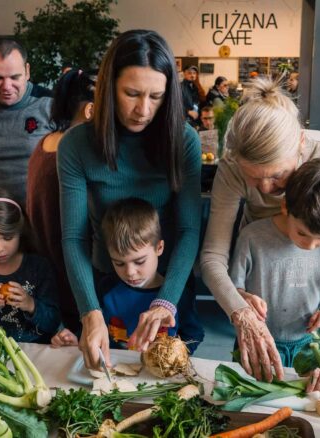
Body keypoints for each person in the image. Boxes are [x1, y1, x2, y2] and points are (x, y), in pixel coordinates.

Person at [200, 77, 320, 383]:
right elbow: (212, 257)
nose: (265, 189)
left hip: (311, 299)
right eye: (253, 178)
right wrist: (240, 310)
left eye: (276, 176)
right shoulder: (232, 166)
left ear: (301, 144)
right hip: (263, 284)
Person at [57, 30, 203, 370]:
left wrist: (167, 300)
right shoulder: (76, 146)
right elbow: (74, 236)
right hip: (106, 279)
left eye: (156, 96)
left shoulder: (184, 141)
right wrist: (89, 311)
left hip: (170, 277)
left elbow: (189, 229)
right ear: (108, 89)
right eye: (132, 93)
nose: (143, 109)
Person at [229, 159, 320, 391]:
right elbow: (232, 289)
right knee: (249, 400)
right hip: (258, 340)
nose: (311, 245)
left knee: (304, 402)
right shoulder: (252, 237)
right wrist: (243, 298)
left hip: (308, 344)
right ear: (286, 207)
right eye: (303, 234)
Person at [27, 68, 97, 347]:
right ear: (91, 110)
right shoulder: (76, 151)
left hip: (47, 271)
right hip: (69, 280)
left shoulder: (45, 143)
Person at [0, 187, 61, 343]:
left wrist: (31, 304)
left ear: (20, 232)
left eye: (7, 238)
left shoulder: (39, 267)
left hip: (36, 351)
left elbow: (53, 322)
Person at [0, 37, 54, 208]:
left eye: (15, 77)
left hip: (46, 216)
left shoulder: (51, 104)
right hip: (2, 221)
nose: (7, 86)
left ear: (27, 71)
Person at [99, 198, 185, 349]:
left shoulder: (179, 292)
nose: (130, 273)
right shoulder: (106, 288)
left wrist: (177, 354)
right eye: (119, 263)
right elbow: (98, 330)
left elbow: (194, 334)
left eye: (139, 262)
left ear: (159, 248)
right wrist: (76, 339)